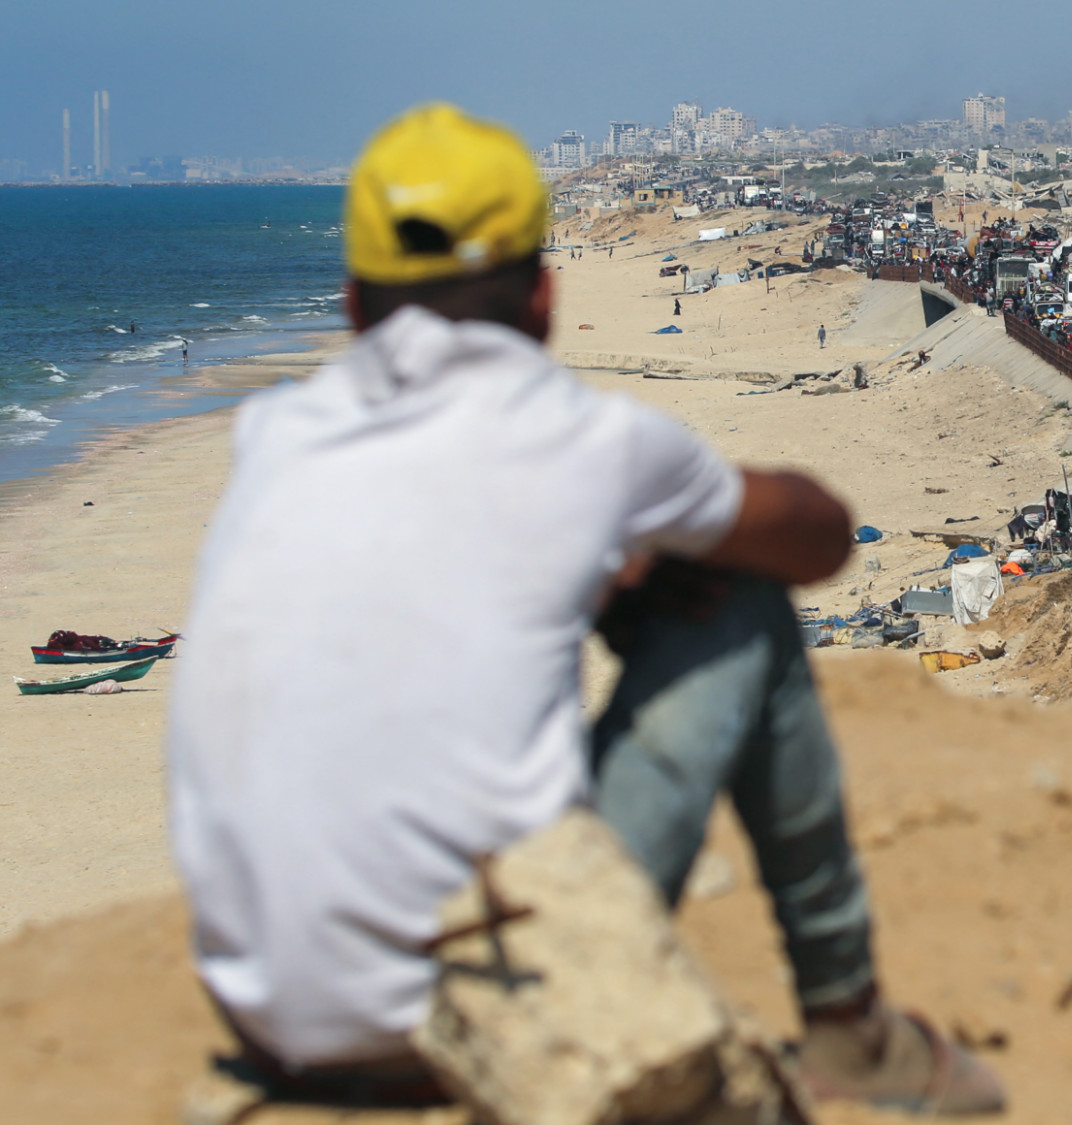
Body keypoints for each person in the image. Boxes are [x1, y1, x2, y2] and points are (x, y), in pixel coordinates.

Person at [166, 105, 1003, 1115]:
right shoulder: (581, 442)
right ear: (544, 295)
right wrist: (650, 545)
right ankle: (853, 1031)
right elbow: (819, 537)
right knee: (741, 600)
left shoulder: (273, 434)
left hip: (272, 1025)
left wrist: (609, 560)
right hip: (495, 1012)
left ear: (351, 306)